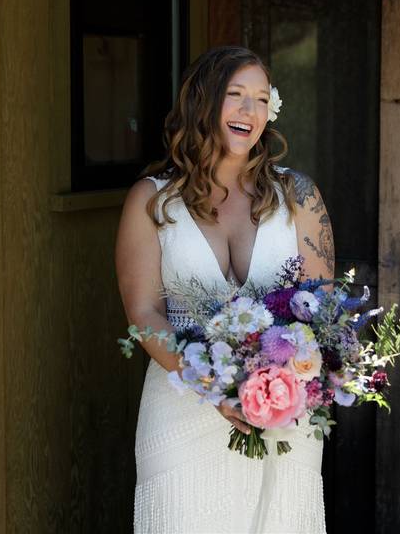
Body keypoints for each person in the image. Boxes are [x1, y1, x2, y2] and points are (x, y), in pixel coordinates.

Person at [115, 45, 335, 533]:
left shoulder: (299, 197)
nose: (249, 111)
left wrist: (284, 380)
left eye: (260, 99)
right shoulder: (151, 201)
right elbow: (144, 312)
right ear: (203, 104)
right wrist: (213, 386)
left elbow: (323, 312)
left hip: (282, 417)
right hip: (181, 413)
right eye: (235, 95)